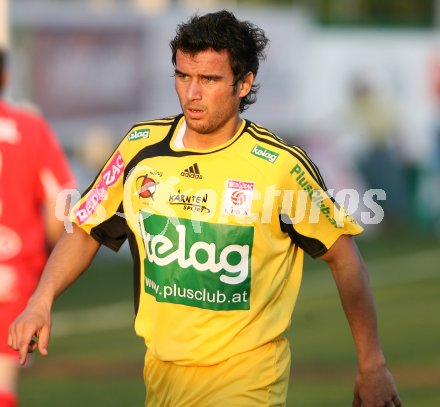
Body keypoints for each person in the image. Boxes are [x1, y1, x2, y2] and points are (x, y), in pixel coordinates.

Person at [8, 10, 401, 407]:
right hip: (161, 377)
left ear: (243, 83)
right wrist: (41, 300)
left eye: (209, 80)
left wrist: (372, 365)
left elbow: (344, 257)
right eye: (183, 76)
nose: (192, 94)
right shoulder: (140, 148)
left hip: (248, 380)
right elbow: (87, 226)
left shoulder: (279, 167)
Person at [0, 50, 75, 407]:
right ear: (4, 78)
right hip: (13, 276)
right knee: (3, 384)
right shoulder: (30, 128)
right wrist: (52, 256)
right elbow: (61, 206)